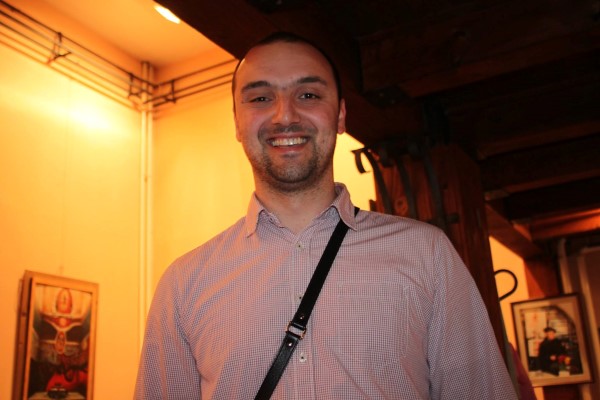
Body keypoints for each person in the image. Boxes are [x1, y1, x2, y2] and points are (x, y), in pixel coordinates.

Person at [134, 32, 518, 399]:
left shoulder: (426, 255)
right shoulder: (184, 285)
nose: (285, 115)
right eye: (261, 98)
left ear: (341, 115)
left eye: (308, 94)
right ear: (237, 121)